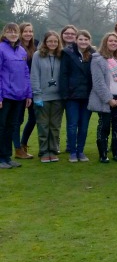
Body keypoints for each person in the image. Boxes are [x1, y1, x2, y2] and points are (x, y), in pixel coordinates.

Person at [88, 32, 117, 163]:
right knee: (104, 127)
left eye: (115, 41)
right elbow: (98, 82)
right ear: (105, 43)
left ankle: (116, 153)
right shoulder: (98, 59)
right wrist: (109, 99)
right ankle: (103, 154)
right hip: (105, 99)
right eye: (110, 41)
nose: (113, 43)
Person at [0, 23, 32, 169]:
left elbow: (26, 74)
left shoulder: (21, 51)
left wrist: (28, 94)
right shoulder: (1, 49)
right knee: (2, 126)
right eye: (10, 31)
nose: (13, 34)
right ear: (4, 33)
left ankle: (7, 156)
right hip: (5, 95)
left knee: (11, 127)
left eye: (15, 32)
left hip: (19, 97)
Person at [59, 29, 94, 163]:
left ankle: (81, 150)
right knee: (72, 125)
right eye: (81, 39)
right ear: (76, 40)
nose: (83, 42)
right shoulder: (67, 53)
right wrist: (65, 94)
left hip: (87, 96)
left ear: (89, 41)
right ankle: (72, 152)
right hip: (72, 96)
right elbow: (63, 75)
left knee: (84, 125)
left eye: (86, 39)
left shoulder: (93, 55)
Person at [31, 31, 63, 163]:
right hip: (42, 97)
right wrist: (37, 95)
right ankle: (44, 151)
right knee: (43, 125)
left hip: (58, 98)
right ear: (45, 42)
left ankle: (53, 150)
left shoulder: (61, 55)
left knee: (55, 126)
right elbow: (34, 75)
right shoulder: (37, 55)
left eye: (55, 41)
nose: (52, 43)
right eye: (50, 41)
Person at [14, 22, 38, 159]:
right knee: (18, 120)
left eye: (31, 31)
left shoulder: (36, 46)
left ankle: (23, 144)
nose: (28, 34)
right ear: (20, 33)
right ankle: (18, 149)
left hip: (32, 88)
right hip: (19, 89)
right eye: (25, 31)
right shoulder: (16, 48)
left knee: (34, 118)